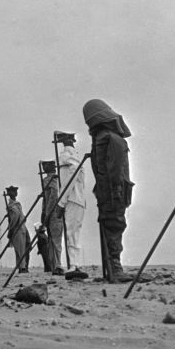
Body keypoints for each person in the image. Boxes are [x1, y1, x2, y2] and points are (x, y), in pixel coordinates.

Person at [83, 98, 134, 282]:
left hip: (109, 191)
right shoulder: (111, 138)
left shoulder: (103, 138)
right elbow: (114, 170)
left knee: (111, 225)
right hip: (114, 191)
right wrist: (115, 192)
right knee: (115, 225)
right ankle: (115, 268)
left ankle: (112, 269)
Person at [55, 132, 88, 278]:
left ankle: (74, 265)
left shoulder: (65, 157)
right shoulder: (76, 156)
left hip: (71, 199)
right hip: (79, 200)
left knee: (71, 233)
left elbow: (69, 181)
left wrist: (61, 202)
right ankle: (76, 264)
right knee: (75, 233)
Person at [40, 160, 65, 275]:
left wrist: (46, 213)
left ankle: (57, 265)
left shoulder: (50, 180)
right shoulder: (55, 179)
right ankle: (54, 264)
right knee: (54, 240)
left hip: (54, 213)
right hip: (55, 213)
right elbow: (47, 198)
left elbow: (52, 197)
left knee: (55, 239)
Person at [5, 186, 29, 273]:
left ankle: (21, 267)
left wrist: (11, 227)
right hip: (18, 229)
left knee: (20, 249)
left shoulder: (14, 204)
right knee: (20, 249)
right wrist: (11, 227)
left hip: (19, 229)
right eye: (14, 191)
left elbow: (17, 215)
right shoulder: (13, 205)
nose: (16, 193)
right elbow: (16, 216)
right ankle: (21, 267)